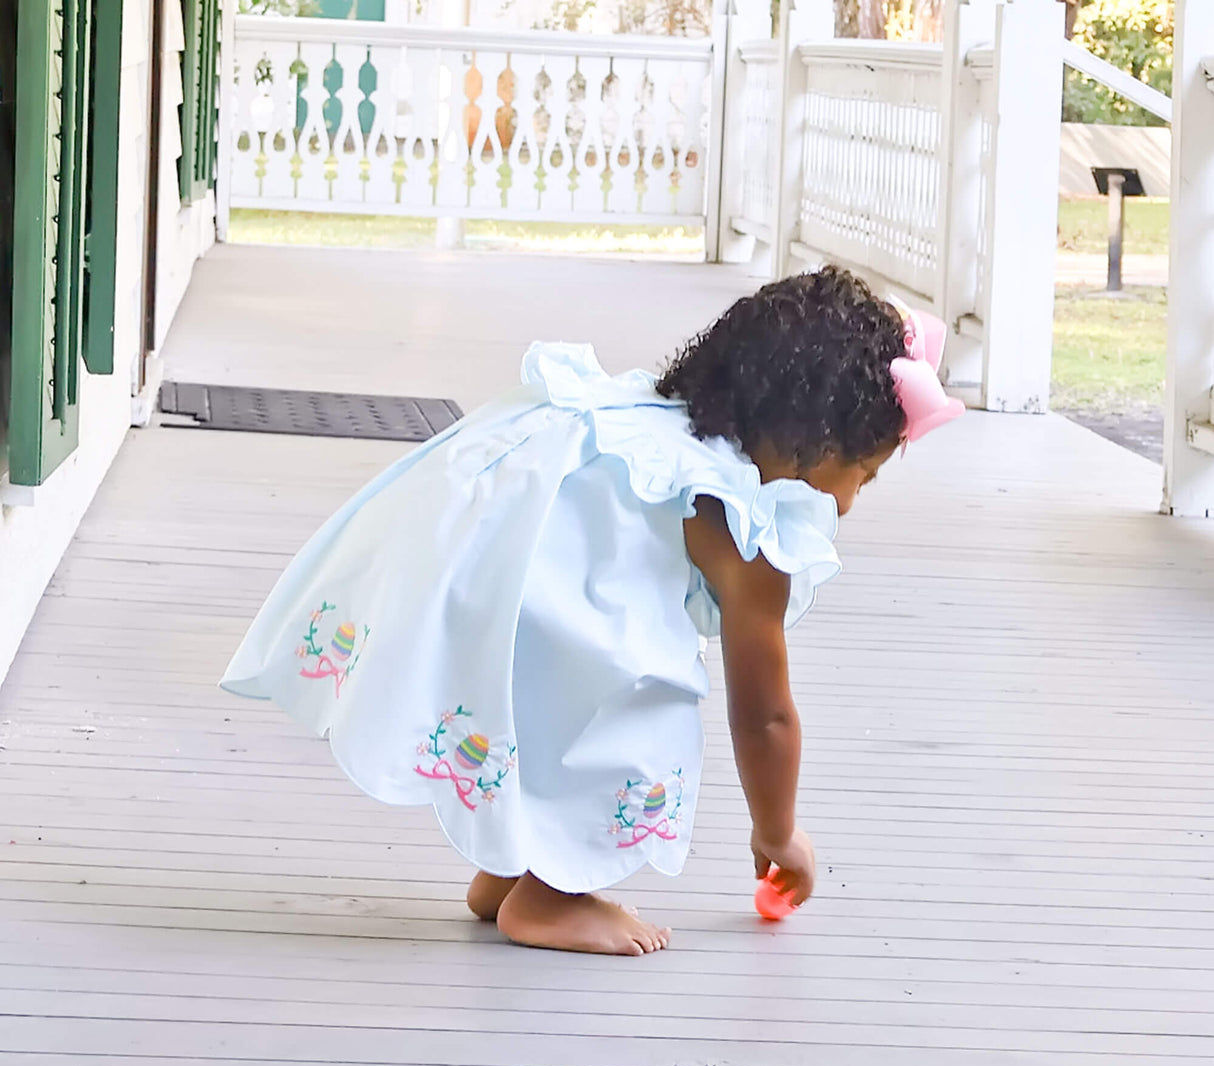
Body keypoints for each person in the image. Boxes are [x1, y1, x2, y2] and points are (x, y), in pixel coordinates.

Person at [221, 267, 963, 956]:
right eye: (861, 474)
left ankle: (513, 867)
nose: (853, 501)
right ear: (809, 442)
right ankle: (552, 896)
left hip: (493, 580)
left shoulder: (648, 420)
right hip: (548, 606)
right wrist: (780, 833)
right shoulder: (745, 524)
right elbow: (763, 713)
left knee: (556, 688)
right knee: (643, 698)